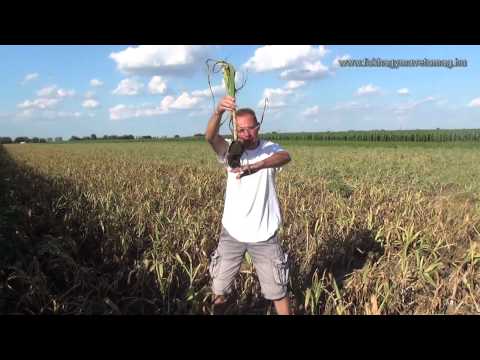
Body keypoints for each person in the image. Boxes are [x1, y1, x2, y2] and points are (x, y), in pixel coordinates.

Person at [205, 95, 292, 315]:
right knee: (219, 287)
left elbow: (285, 156)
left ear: (258, 127)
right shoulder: (229, 151)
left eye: (250, 129)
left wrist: (257, 165)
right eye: (241, 130)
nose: (246, 134)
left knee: (278, 290)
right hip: (232, 233)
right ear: (235, 130)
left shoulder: (269, 149)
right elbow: (210, 137)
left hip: (264, 234)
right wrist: (218, 111)